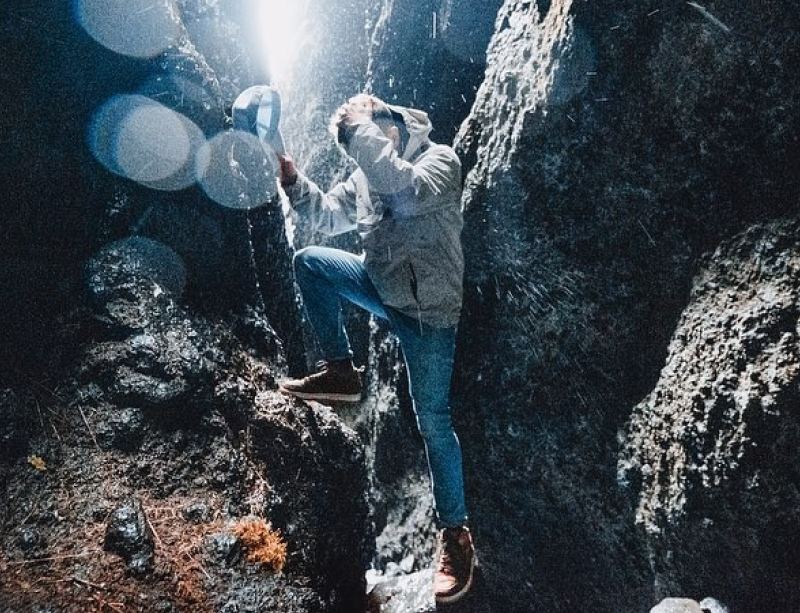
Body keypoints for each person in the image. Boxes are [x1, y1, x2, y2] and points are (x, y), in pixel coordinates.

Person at [276, 93, 475, 603]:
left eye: (360, 133)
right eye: (350, 141)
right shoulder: (367, 175)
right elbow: (324, 215)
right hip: (387, 293)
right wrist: (294, 181)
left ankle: (455, 534)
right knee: (310, 262)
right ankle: (341, 371)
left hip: (430, 314)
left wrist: (360, 125)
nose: (355, 147)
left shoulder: (440, 161)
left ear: (392, 125)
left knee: (433, 420)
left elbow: (402, 189)